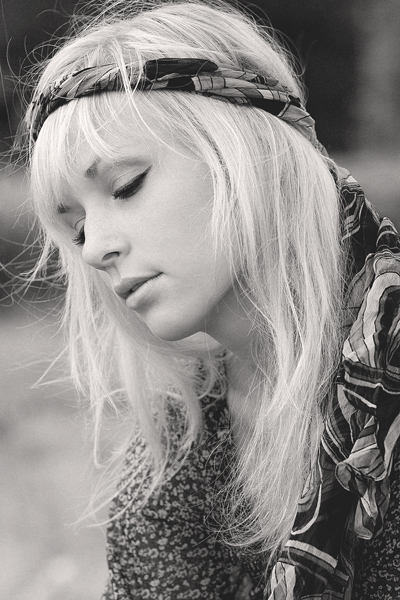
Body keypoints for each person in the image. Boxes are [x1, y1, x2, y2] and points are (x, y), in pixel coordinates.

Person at [21, 0, 400, 598]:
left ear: (244, 151)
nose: (93, 249)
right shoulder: (182, 444)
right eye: (78, 227)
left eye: (125, 185)